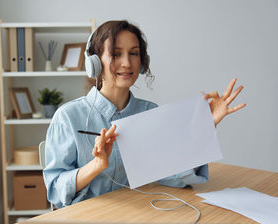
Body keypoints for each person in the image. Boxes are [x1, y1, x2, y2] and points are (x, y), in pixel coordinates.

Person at [43, 20, 246, 208]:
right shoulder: (68, 117)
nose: (127, 63)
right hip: (88, 221)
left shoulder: (149, 112)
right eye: (116, 54)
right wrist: (97, 165)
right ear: (95, 62)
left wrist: (205, 127)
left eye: (133, 53)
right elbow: (55, 190)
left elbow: (174, 177)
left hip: (140, 215)